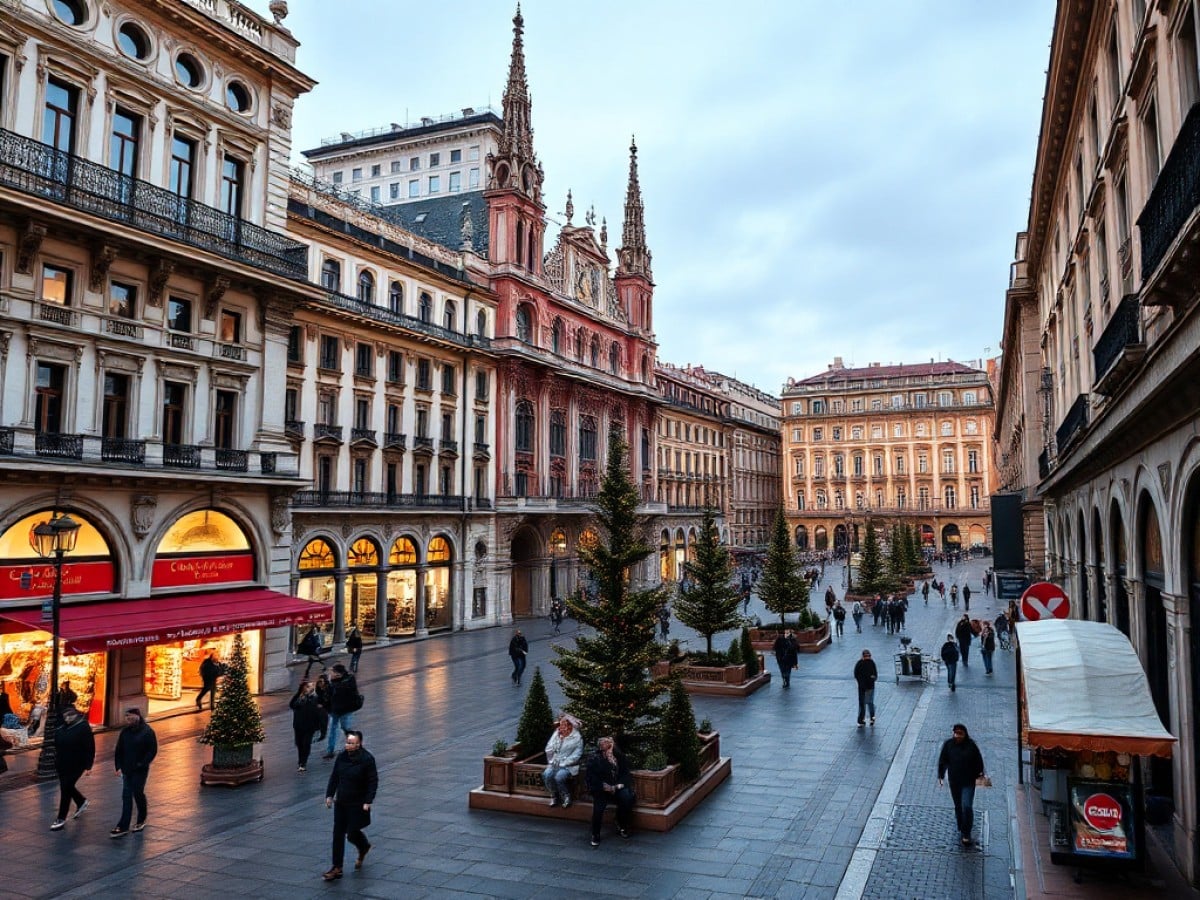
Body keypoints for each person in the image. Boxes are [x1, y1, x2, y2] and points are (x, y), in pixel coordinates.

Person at [323, 730, 377, 880]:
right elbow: (335, 776)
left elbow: (373, 781)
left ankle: (363, 846)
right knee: (338, 834)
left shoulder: (367, 759)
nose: (348, 745)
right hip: (341, 801)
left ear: (359, 744)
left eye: (351, 743)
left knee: (352, 832)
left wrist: (368, 801)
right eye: (347, 742)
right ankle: (337, 867)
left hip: (358, 803)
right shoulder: (342, 757)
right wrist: (329, 795)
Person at [937, 723, 987, 846]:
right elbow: (943, 760)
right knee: (958, 805)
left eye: (960, 734)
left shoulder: (971, 746)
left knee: (967, 806)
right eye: (956, 733)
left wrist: (980, 774)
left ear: (965, 734)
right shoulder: (948, 745)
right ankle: (961, 824)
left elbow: (978, 761)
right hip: (954, 782)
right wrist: (941, 775)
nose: (957, 736)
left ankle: (966, 832)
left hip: (968, 782)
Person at [110, 708, 157, 837]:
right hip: (127, 769)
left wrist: (142, 763)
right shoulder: (125, 732)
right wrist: (118, 766)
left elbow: (152, 750)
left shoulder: (147, 732)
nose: (128, 719)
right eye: (126, 717)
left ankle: (141, 819)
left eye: (130, 716)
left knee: (137, 793)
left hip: (140, 770)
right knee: (126, 796)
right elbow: (119, 750)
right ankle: (123, 825)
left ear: (137, 716)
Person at [51, 704, 95, 830]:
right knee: (67, 786)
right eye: (65, 716)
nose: (67, 718)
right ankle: (81, 801)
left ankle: (61, 818)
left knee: (66, 788)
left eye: (70, 716)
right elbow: (56, 744)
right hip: (62, 763)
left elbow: (90, 747)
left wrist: (89, 765)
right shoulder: (61, 728)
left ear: (75, 715)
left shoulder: (83, 727)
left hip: (77, 764)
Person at [585, 736, 635, 847]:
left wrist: (618, 785)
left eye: (609, 743)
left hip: (617, 787)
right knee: (598, 809)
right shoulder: (595, 759)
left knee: (627, 798)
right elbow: (591, 777)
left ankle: (622, 824)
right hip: (601, 788)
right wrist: (603, 786)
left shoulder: (619, 757)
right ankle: (595, 834)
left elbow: (625, 773)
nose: (607, 746)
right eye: (604, 744)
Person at [542, 715, 583, 807]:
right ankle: (554, 795)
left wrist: (564, 763)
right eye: (561, 725)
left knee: (559, 777)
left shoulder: (577, 737)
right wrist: (559, 742)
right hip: (554, 763)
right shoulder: (557, 733)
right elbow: (548, 748)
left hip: (569, 765)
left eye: (564, 725)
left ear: (570, 726)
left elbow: (577, 754)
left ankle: (566, 796)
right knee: (547, 775)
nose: (561, 727)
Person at [323, 664, 360, 759]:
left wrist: (332, 683)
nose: (331, 674)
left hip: (345, 710)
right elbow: (328, 695)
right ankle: (330, 751)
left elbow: (346, 692)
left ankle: (354, 744)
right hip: (334, 710)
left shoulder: (349, 680)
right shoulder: (332, 682)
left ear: (338, 674)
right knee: (332, 730)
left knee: (345, 728)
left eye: (332, 672)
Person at [290, 680, 325, 773]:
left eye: (310, 686)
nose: (308, 688)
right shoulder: (299, 697)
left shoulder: (315, 698)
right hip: (298, 725)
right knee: (299, 744)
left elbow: (321, 711)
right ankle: (301, 759)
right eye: (306, 686)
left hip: (310, 726)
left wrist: (321, 728)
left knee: (306, 744)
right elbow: (292, 705)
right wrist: (299, 693)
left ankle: (303, 762)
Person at [853, 650, 878, 727]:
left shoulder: (871, 663)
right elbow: (856, 674)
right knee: (864, 703)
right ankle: (862, 720)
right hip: (864, 687)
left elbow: (875, 674)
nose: (867, 657)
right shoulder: (860, 663)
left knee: (868, 703)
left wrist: (872, 678)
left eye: (869, 656)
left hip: (869, 687)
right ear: (863, 656)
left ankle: (871, 718)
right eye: (866, 656)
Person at [314, 672, 332, 742]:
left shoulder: (329, 688)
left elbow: (330, 699)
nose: (320, 683)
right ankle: (318, 729)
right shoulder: (318, 687)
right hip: (321, 706)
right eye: (319, 681)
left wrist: (323, 705)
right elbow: (318, 697)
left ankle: (323, 734)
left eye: (321, 681)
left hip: (328, 707)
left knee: (323, 718)